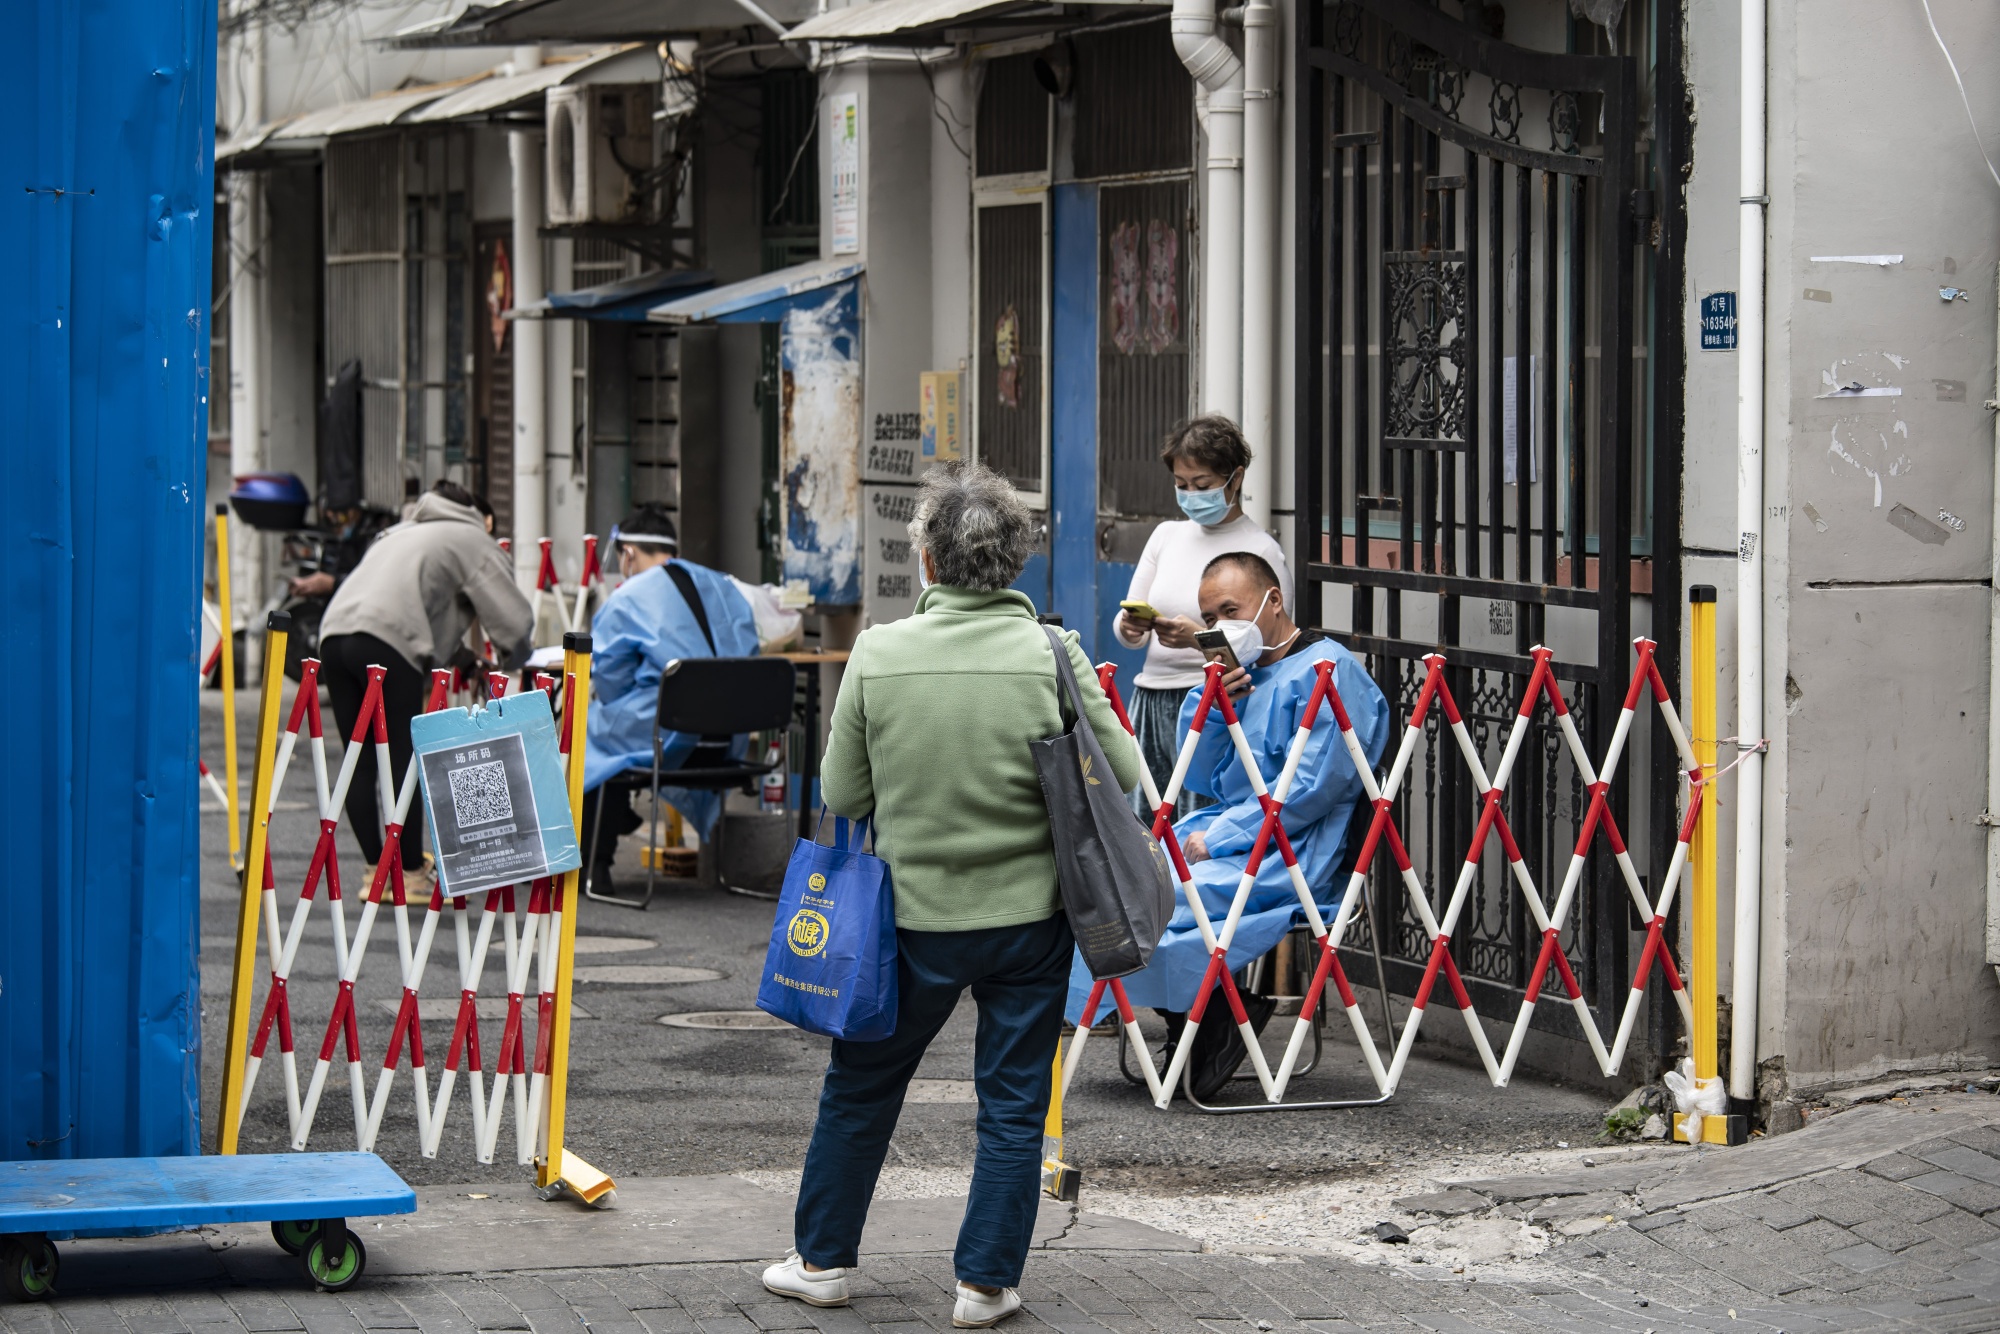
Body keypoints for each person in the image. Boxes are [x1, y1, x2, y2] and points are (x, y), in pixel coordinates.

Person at [760, 462, 1140, 1328]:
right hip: (1030, 922)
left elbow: (844, 795)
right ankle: (985, 1284)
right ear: (1016, 564)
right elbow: (1123, 777)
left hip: (907, 925)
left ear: (927, 561)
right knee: (1012, 1105)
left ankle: (822, 1261)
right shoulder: (1054, 653)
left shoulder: (881, 653)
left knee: (860, 1089)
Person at [1074, 551, 1388, 1094]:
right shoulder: (1248, 674)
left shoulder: (1330, 670)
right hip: (1233, 831)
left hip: (1294, 846)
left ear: (1274, 601)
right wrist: (1216, 704)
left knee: (1165, 904)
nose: (1219, 627)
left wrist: (1221, 837)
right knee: (1120, 887)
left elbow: (1310, 789)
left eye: (1229, 610)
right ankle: (1203, 1016)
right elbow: (1198, 771)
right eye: (1210, 617)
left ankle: (1210, 1019)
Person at [318, 480, 534, 887]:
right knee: (402, 757)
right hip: (387, 643)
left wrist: (464, 660)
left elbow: (418, 607)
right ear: (481, 517)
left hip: (334, 636)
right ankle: (410, 872)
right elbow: (513, 621)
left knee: (358, 759)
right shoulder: (471, 537)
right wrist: (519, 660)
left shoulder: (400, 532)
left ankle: (374, 872)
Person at [1111, 416, 1294, 818]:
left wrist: (1200, 639)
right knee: (1143, 825)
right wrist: (1131, 627)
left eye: (1203, 485)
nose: (1191, 494)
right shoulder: (1166, 536)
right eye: (1181, 485)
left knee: (1199, 821)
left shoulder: (1260, 550)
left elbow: (1267, 645)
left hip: (1214, 704)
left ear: (1235, 478)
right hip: (1150, 698)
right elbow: (1128, 624)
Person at [579, 504, 759, 890]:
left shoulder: (629, 598)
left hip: (672, 742)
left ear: (627, 553)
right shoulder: (725, 586)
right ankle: (618, 812)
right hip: (728, 743)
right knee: (615, 734)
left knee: (587, 732)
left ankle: (594, 863)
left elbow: (609, 679)